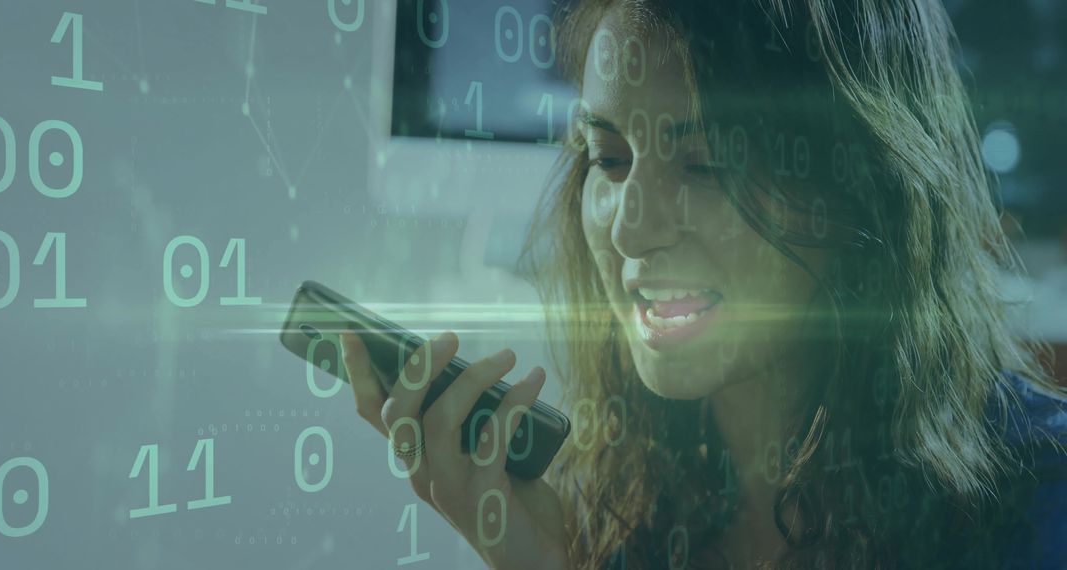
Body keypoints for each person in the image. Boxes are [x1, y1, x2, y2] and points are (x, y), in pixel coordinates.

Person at [339, 0, 1067, 568]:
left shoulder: (1045, 503)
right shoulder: (621, 510)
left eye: (709, 163)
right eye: (608, 156)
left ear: (864, 186)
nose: (629, 229)